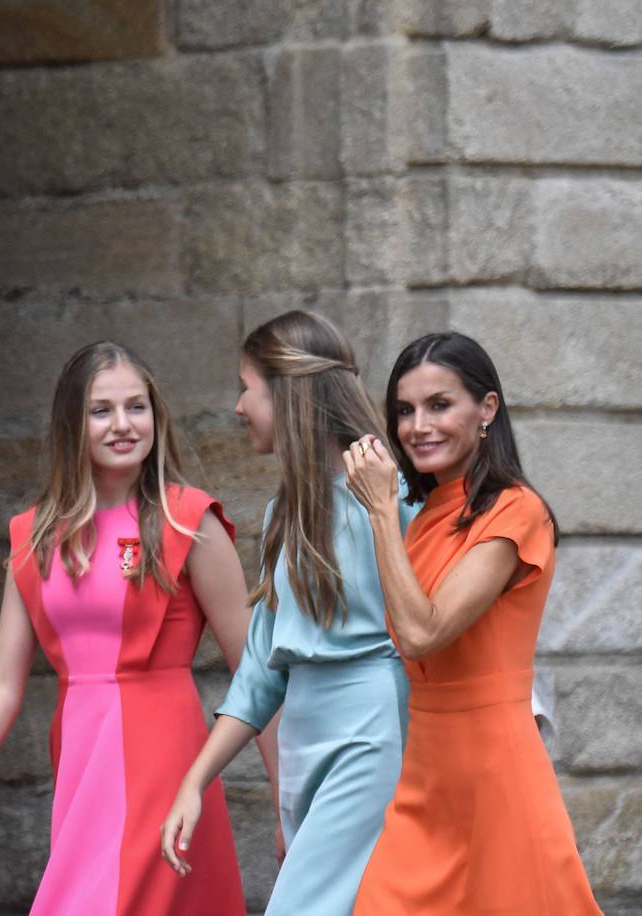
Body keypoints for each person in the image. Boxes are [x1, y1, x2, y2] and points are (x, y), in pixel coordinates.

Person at [0, 341, 266, 915]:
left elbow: (258, 672)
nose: (124, 424)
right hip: (82, 764)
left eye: (138, 407)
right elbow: (3, 682)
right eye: (102, 410)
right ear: (70, 424)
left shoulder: (190, 519)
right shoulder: (33, 535)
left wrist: (287, 805)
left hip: (165, 760)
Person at [161, 310, 418, 914]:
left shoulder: (397, 497)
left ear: (288, 393)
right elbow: (259, 674)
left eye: (246, 387)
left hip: (372, 730)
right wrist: (195, 783)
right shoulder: (285, 513)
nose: (237, 406)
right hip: (305, 734)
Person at [344, 332, 601, 914]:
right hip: (427, 777)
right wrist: (394, 516)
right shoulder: (428, 516)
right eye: (404, 411)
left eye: (440, 405)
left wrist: (382, 510)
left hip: (496, 774)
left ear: (487, 409)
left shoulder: (517, 510)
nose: (417, 427)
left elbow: (421, 633)